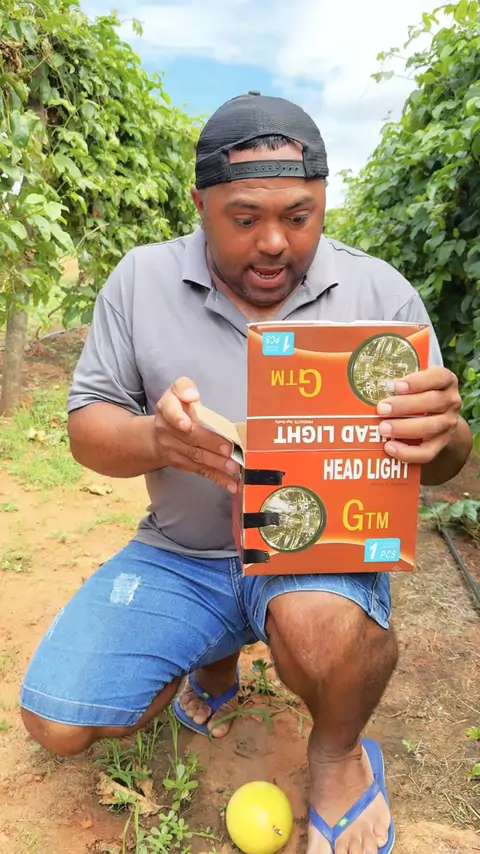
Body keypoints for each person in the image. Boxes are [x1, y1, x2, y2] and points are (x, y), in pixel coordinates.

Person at [20, 92, 472, 854]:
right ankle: (213, 655)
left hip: (314, 557)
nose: (273, 243)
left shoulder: (380, 296)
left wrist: (447, 433)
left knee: (321, 629)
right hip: (182, 555)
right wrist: (156, 439)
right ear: (200, 205)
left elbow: (446, 460)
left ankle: (339, 756)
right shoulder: (140, 282)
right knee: (58, 718)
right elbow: (87, 427)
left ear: (324, 200)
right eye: (243, 218)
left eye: (298, 217)